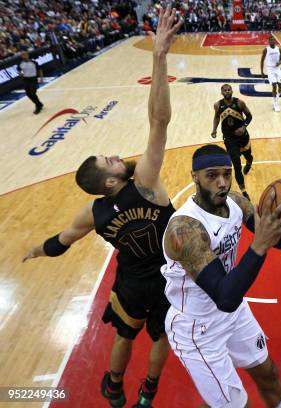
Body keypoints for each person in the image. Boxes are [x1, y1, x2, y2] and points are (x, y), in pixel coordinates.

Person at [22, 7, 182, 407]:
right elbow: (159, 121)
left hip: (130, 281)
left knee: (124, 334)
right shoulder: (145, 185)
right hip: (168, 275)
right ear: (112, 181)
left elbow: (62, 242)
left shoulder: (92, 214)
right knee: (162, 337)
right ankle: (149, 387)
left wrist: (37, 250)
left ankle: (113, 384)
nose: (114, 155)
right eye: (108, 161)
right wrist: (159, 58)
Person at [161, 143, 281, 408]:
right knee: (237, 405)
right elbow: (224, 296)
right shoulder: (184, 229)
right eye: (212, 175)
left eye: (227, 173)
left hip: (233, 312)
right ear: (195, 177)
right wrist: (260, 244)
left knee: (268, 373)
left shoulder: (235, 202)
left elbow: (277, 241)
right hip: (197, 326)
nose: (222, 183)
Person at [211, 84, 254, 201]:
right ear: (221, 92)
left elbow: (249, 116)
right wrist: (214, 129)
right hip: (229, 139)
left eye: (229, 89)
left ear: (232, 91)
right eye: (225, 90)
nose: (227, 91)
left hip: (242, 136)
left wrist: (244, 127)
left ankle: (249, 162)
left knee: (248, 156)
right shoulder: (218, 105)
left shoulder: (239, 103)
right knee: (236, 165)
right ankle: (244, 191)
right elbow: (216, 118)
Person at [260, 35, 281, 112]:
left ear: (275, 41)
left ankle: (276, 98)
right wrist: (262, 72)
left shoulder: (278, 49)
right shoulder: (266, 50)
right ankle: (275, 103)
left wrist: (279, 63)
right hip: (270, 69)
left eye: (273, 40)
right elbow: (262, 61)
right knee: (274, 85)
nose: (272, 41)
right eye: (270, 40)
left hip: (277, 69)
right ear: (268, 41)